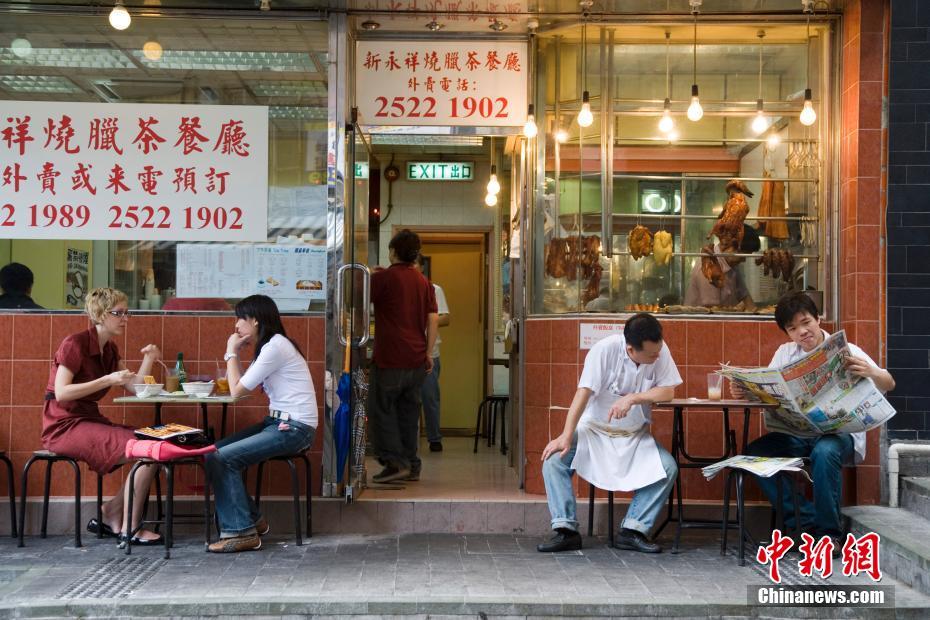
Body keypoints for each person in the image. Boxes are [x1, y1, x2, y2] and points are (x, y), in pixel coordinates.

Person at [42, 287, 214, 547]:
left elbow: (136, 388)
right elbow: (62, 393)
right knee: (149, 449)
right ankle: (130, 528)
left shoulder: (109, 349)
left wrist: (149, 359)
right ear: (100, 315)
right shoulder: (74, 344)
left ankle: (112, 512)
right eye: (118, 313)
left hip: (88, 421)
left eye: (126, 312)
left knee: (154, 445)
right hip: (63, 426)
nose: (125, 318)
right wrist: (107, 379)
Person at [733, 292, 896, 547]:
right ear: (787, 333)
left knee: (825, 450)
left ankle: (829, 535)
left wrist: (872, 371)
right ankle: (804, 522)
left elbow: (889, 383)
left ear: (818, 319)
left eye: (806, 322)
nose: (802, 332)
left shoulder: (846, 349)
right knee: (755, 454)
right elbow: (770, 395)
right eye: (793, 328)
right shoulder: (784, 354)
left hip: (838, 436)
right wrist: (747, 392)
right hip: (799, 435)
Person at [537, 313, 682, 554]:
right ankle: (566, 529)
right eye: (650, 354)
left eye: (658, 351)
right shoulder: (603, 351)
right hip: (594, 431)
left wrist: (634, 398)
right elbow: (582, 394)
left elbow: (668, 392)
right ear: (630, 349)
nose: (657, 356)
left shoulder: (659, 349)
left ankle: (633, 529)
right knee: (553, 461)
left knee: (668, 468)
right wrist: (565, 434)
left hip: (635, 435)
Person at [205, 294, 317, 553]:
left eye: (240, 319)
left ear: (255, 320)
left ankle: (241, 532)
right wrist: (236, 355)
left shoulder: (275, 347)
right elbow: (241, 387)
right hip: (278, 423)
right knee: (212, 453)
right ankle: (253, 521)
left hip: (295, 428)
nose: (236, 326)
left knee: (223, 457)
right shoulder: (269, 346)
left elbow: (235, 391)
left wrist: (231, 352)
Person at [368, 230, 438, 483]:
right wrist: (428, 352)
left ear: (393, 251)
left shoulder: (384, 279)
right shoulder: (423, 282)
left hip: (390, 357)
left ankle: (395, 463)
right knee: (408, 415)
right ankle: (412, 465)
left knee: (381, 410)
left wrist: (371, 277)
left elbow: (357, 301)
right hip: (417, 359)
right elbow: (433, 318)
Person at [415, 254, 451, 453]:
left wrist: (430, 319)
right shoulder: (403, 290)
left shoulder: (434, 289)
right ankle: (409, 441)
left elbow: (446, 318)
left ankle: (434, 438)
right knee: (409, 400)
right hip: (409, 352)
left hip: (431, 352)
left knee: (430, 397)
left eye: (415, 264)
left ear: (422, 267)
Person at [684, 224, 761, 309]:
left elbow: (745, 297)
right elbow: (713, 312)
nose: (744, 260)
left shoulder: (732, 266)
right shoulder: (708, 265)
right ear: (731, 247)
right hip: (700, 321)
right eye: (742, 256)